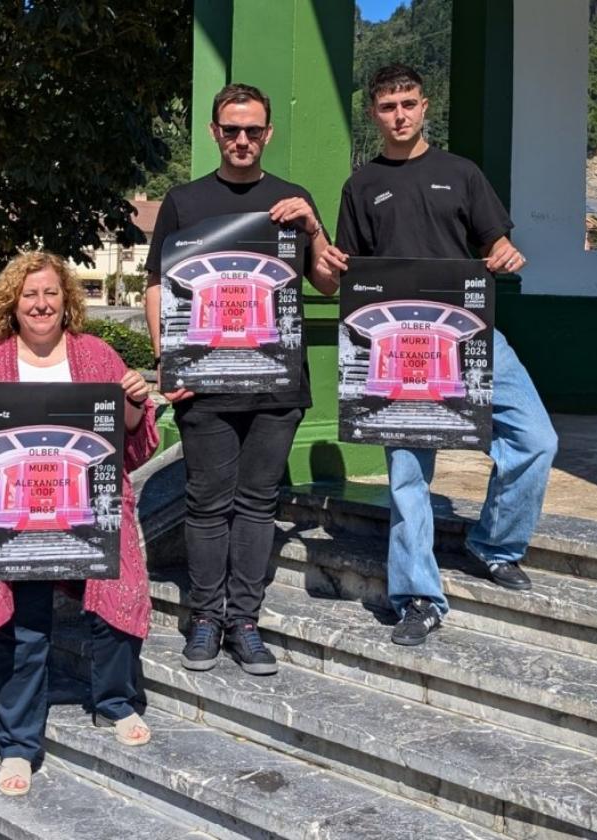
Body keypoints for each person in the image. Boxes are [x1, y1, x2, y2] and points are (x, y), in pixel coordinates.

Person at [316, 64, 558, 647]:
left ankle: (494, 546)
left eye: (408, 103)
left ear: (425, 106)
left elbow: (496, 243)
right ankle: (418, 596)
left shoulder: (462, 173)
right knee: (406, 475)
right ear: (373, 114)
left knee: (536, 440)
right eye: (386, 106)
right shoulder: (361, 185)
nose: (398, 115)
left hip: (471, 338)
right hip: (396, 349)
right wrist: (326, 262)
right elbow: (344, 277)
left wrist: (506, 254)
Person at [0, 251, 158, 797]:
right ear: (13, 301)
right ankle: (19, 743)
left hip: (86, 511)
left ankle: (116, 701)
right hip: (11, 521)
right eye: (30, 294)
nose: (41, 303)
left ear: (66, 300)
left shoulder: (96, 355)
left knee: (116, 601)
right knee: (23, 630)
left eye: (51, 293)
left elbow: (128, 440)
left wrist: (133, 403)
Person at [145, 83, 339, 676]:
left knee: (257, 505)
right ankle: (204, 619)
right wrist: (166, 359)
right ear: (213, 132)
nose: (242, 139)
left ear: (268, 133)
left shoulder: (293, 200)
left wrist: (313, 229)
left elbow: (331, 282)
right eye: (231, 129)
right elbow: (157, 285)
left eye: (253, 129)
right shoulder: (184, 200)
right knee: (206, 505)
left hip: (275, 384)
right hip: (203, 380)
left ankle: (245, 622)